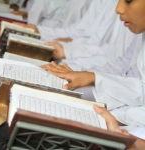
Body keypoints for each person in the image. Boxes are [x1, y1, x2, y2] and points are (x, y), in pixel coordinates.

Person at [42, 0, 145, 145]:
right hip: (124, 106)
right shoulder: (139, 26)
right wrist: (92, 77)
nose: (118, 9)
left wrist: (114, 117)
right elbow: (137, 84)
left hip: (129, 115)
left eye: (128, 0)